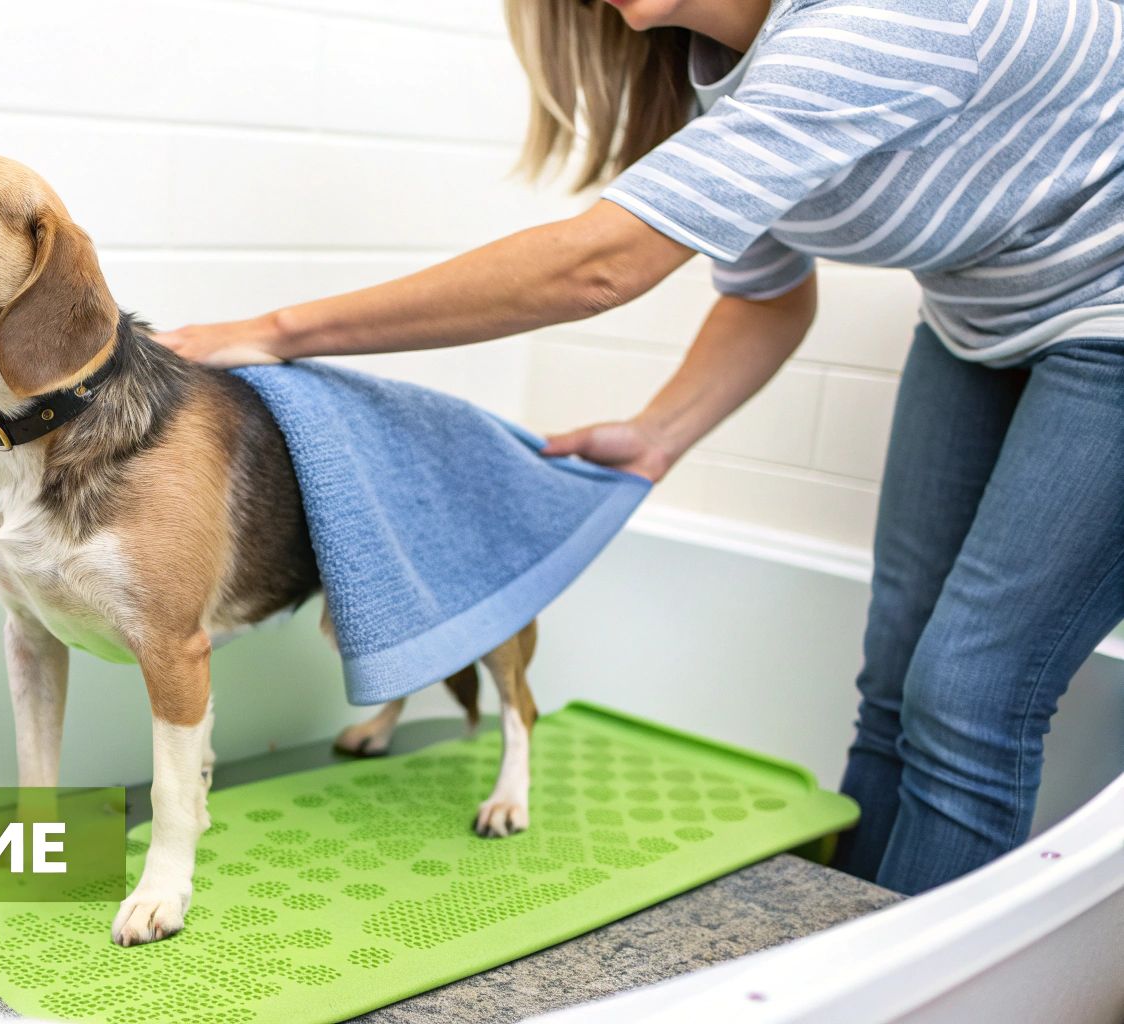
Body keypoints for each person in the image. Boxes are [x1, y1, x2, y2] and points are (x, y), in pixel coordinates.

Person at [157, 0, 1124, 896]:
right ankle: (845, 947)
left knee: (968, 694)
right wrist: (658, 436)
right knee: (896, 667)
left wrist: (279, 330)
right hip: (983, 318)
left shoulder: (881, 18)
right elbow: (769, 294)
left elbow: (599, 266)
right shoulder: (724, 75)